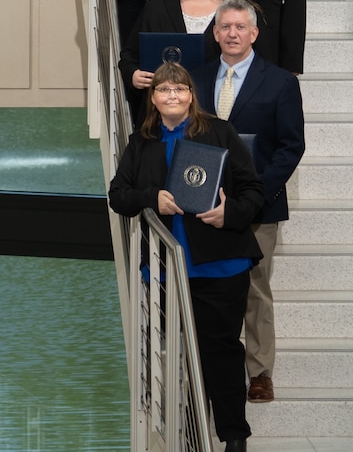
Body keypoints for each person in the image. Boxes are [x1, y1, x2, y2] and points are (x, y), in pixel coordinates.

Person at [108, 62, 264, 452]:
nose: (172, 96)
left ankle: (233, 436)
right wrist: (151, 198)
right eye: (163, 90)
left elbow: (253, 193)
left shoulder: (219, 132)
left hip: (219, 267)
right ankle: (193, 435)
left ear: (191, 95)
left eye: (179, 90)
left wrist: (229, 214)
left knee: (221, 352)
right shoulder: (140, 142)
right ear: (153, 97)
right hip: (164, 273)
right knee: (178, 356)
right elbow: (117, 195)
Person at [194, 0, 306, 409]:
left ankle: (259, 373)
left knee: (256, 289)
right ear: (215, 32)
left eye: (241, 27)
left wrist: (254, 196)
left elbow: (291, 148)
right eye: (225, 27)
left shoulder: (280, 83)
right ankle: (209, 366)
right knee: (210, 289)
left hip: (258, 208)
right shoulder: (198, 79)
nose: (233, 34)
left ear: (255, 33)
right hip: (205, 207)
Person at [118, 0, 243, 124]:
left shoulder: (237, 10)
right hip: (164, 120)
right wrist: (134, 75)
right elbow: (128, 57)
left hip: (220, 117)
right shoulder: (156, 7)